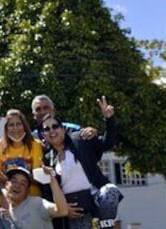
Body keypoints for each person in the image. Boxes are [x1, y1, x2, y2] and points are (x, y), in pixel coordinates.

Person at [40, 98, 123, 229]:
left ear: (62, 129)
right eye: (47, 129)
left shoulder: (79, 139)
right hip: (74, 208)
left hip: (96, 198)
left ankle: (106, 225)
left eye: (55, 126)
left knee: (110, 191)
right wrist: (63, 208)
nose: (52, 131)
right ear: (44, 135)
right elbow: (47, 190)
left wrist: (109, 119)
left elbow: (107, 143)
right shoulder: (46, 159)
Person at [0, 110, 44, 198]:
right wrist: (6, 196)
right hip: (7, 199)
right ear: (6, 128)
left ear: (24, 126)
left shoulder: (35, 145)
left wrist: (6, 179)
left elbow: (37, 178)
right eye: (11, 125)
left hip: (32, 197)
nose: (15, 128)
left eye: (18, 124)